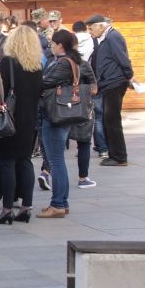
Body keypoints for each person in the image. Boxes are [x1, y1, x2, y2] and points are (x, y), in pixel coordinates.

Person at [38, 30, 96, 218]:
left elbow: (45, 83)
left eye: (52, 44)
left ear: (60, 45)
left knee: (56, 161)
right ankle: (62, 202)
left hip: (55, 115)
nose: (51, 47)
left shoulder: (64, 63)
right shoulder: (73, 61)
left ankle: (58, 204)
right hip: (62, 114)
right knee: (57, 160)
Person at [0, 26, 45, 225]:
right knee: (25, 161)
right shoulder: (36, 66)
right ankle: (26, 207)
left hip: (11, 119)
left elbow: (0, 91)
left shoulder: (7, 63)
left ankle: (7, 209)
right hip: (29, 120)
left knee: (7, 162)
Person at [85, 14, 132, 168]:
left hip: (114, 83)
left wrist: (129, 76)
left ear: (101, 25)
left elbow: (122, 58)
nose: (90, 32)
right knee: (108, 120)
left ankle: (119, 157)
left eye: (91, 28)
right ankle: (114, 155)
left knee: (112, 121)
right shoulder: (107, 37)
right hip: (108, 83)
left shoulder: (112, 37)